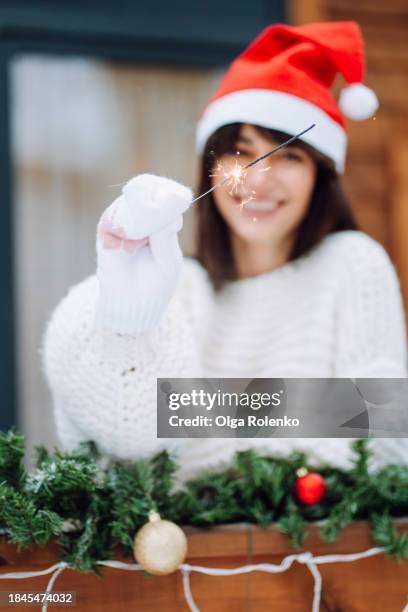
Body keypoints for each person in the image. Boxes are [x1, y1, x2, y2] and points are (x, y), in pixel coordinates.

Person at [42, 21, 407, 484]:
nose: (257, 179)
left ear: (320, 177)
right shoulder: (181, 287)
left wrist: (191, 412)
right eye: (241, 151)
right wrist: (322, 408)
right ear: (212, 167)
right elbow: (126, 454)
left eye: (289, 156)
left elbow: (384, 432)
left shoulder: (352, 264)